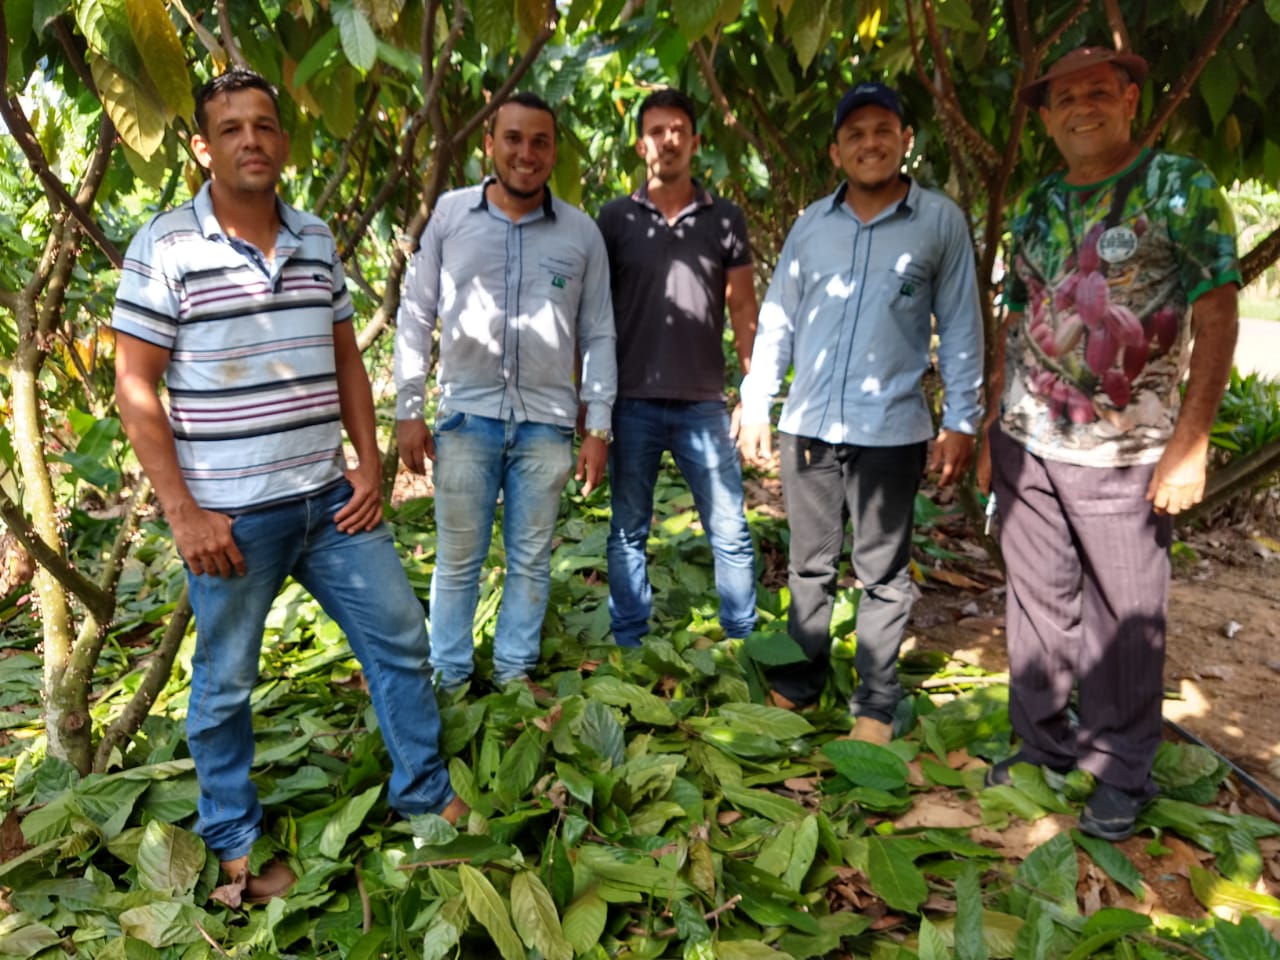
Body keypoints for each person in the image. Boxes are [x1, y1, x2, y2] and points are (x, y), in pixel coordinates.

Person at [112, 69, 464, 904]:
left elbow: (346, 357)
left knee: (401, 643)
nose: (251, 141)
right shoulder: (164, 247)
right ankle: (233, 844)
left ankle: (426, 796)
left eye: (265, 126)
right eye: (230, 128)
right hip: (230, 521)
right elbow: (135, 387)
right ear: (203, 146)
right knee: (225, 684)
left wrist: (369, 463)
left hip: (331, 505)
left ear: (286, 141)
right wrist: (184, 513)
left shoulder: (315, 238)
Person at [980, 46, 1240, 840]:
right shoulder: (1039, 199)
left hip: (1128, 454)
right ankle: (1043, 742)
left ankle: (1121, 767)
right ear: (1047, 118)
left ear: (1132, 99)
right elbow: (1017, 321)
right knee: (1038, 606)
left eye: (1098, 91)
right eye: (1063, 98)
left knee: (1125, 618)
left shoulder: (1179, 186)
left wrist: (1191, 440)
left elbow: (1218, 313)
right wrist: (995, 429)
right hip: (1029, 442)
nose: (1080, 107)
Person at [738, 81, 984, 743]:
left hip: (892, 428)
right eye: (856, 133)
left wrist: (963, 418)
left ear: (906, 141)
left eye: (884, 130)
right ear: (836, 151)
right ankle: (800, 682)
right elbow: (778, 321)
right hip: (810, 426)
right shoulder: (811, 226)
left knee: (882, 573)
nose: (870, 143)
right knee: (809, 567)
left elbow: (961, 325)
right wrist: (757, 402)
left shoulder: (939, 223)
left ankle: (876, 705)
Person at [395, 92, 616, 691]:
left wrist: (598, 427)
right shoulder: (448, 216)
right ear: (489, 145)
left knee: (531, 561)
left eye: (540, 141)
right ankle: (451, 678)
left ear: (553, 151)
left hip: (546, 425)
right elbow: (415, 314)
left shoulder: (582, 233)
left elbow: (598, 331)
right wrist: (408, 409)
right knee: (459, 561)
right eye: (512, 139)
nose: (526, 152)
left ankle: (515, 674)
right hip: (467, 418)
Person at [596, 88, 759, 648]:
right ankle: (629, 644)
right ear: (641, 144)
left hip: (704, 404)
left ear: (694, 141)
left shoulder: (725, 219)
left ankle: (742, 640)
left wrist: (751, 390)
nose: (668, 140)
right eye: (657, 130)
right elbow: (593, 314)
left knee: (731, 529)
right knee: (626, 532)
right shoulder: (614, 219)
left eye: (678, 130)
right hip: (631, 400)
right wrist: (589, 398)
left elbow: (742, 307)